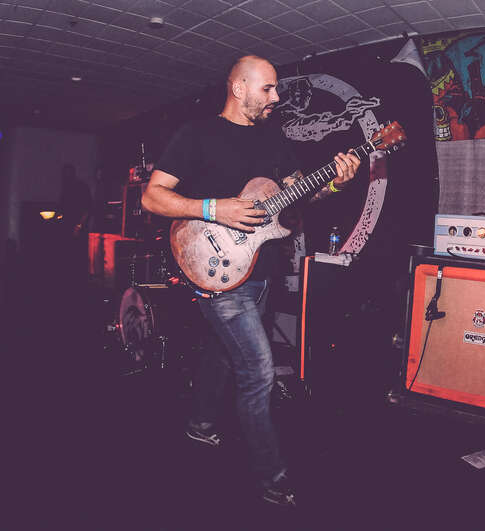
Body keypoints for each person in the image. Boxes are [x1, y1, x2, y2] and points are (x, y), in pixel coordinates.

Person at [141, 55, 361, 507]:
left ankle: (200, 426)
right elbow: (152, 196)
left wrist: (334, 182)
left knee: (226, 352)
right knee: (258, 372)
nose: (276, 97)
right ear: (239, 88)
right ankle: (274, 478)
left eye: (276, 89)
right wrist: (212, 208)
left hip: (258, 272)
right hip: (213, 266)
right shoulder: (196, 134)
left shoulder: (272, 138)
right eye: (268, 89)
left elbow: (303, 189)